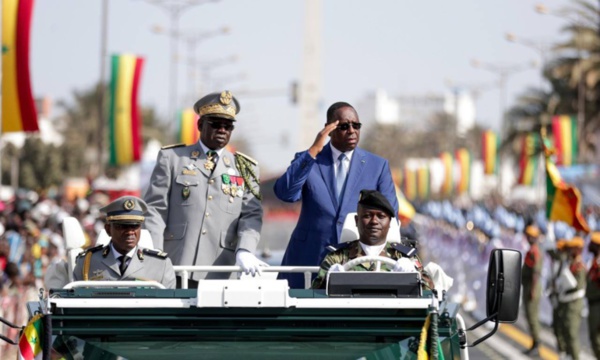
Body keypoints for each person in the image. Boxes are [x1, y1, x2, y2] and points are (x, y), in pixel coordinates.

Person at [143, 91, 265, 287]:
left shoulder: (246, 167)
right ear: (200, 125)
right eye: (216, 124)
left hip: (222, 267)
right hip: (177, 263)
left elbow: (252, 214)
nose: (222, 130)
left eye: (228, 126)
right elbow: (155, 209)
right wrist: (156, 254)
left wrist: (245, 250)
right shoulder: (173, 158)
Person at [275, 102, 398, 288]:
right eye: (344, 126)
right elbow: (286, 193)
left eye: (356, 126)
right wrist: (314, 150)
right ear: (329, 129)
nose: (351, 131)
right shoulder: (309, 160)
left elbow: (390, 213)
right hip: (309, 259)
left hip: (356, 263)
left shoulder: (377, 166)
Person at [312, 190, 429, 290]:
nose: (374, 221)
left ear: (389, 223)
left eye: (381, 216)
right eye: (367, 216)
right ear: (356, 221)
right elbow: (315, 293)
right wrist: (329, 280)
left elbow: (430, 289)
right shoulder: (337, 257)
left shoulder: (403, 256)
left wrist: (414, 275)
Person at [73, 196, 176, 289]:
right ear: (108, 229)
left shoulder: (161, 265)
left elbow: (170, 307)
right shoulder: (87, 262)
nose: (130, 232)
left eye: (135, 226)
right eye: (122, 226)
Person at [559, 236, 586, 360]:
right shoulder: (571, 263)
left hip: (574, 303)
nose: (569, 251)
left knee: (571, 333)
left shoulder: (579, 266)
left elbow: (577, 286)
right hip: (567, 302)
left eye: (572, 248)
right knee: (565, 331)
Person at [521, 224, 543, 356]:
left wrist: (533, 290)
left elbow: (536, 273)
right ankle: (534, 343)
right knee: (529, 316)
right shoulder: (531, 250)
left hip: (532, 287)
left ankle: (537, 344)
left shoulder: (535, 251)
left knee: (532, 316)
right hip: (529, 286)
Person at [586, 232, 600, 359]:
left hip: (598, 304)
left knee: (595, 336)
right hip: (593, 303)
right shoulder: (595, 261)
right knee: (593, 336)